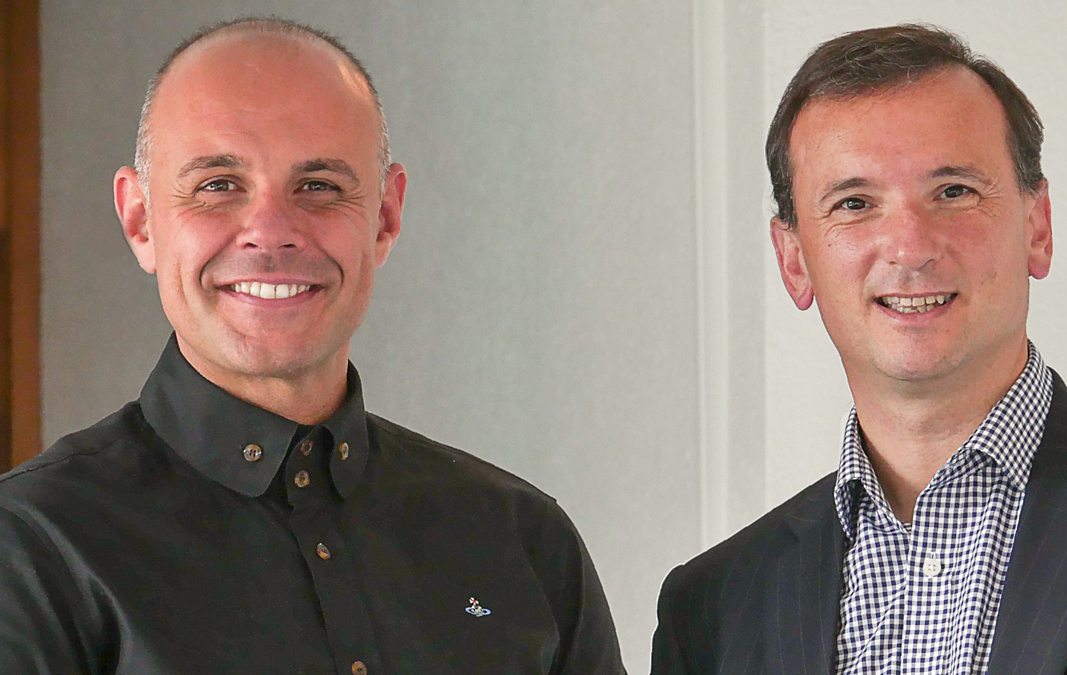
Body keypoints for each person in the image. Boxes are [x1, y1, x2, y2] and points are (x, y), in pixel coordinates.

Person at [0, 17, 625, 674]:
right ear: (140, 220)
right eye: (218, 185)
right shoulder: (31, 547)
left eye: (319, 186)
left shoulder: (524, 540)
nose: (271, 231)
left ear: (385, 217)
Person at [651, 24, 1067, 674]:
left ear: (1038, 226)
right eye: (855, 203)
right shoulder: (711, 610)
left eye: (954, 191)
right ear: (793, 261)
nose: (910, 247)